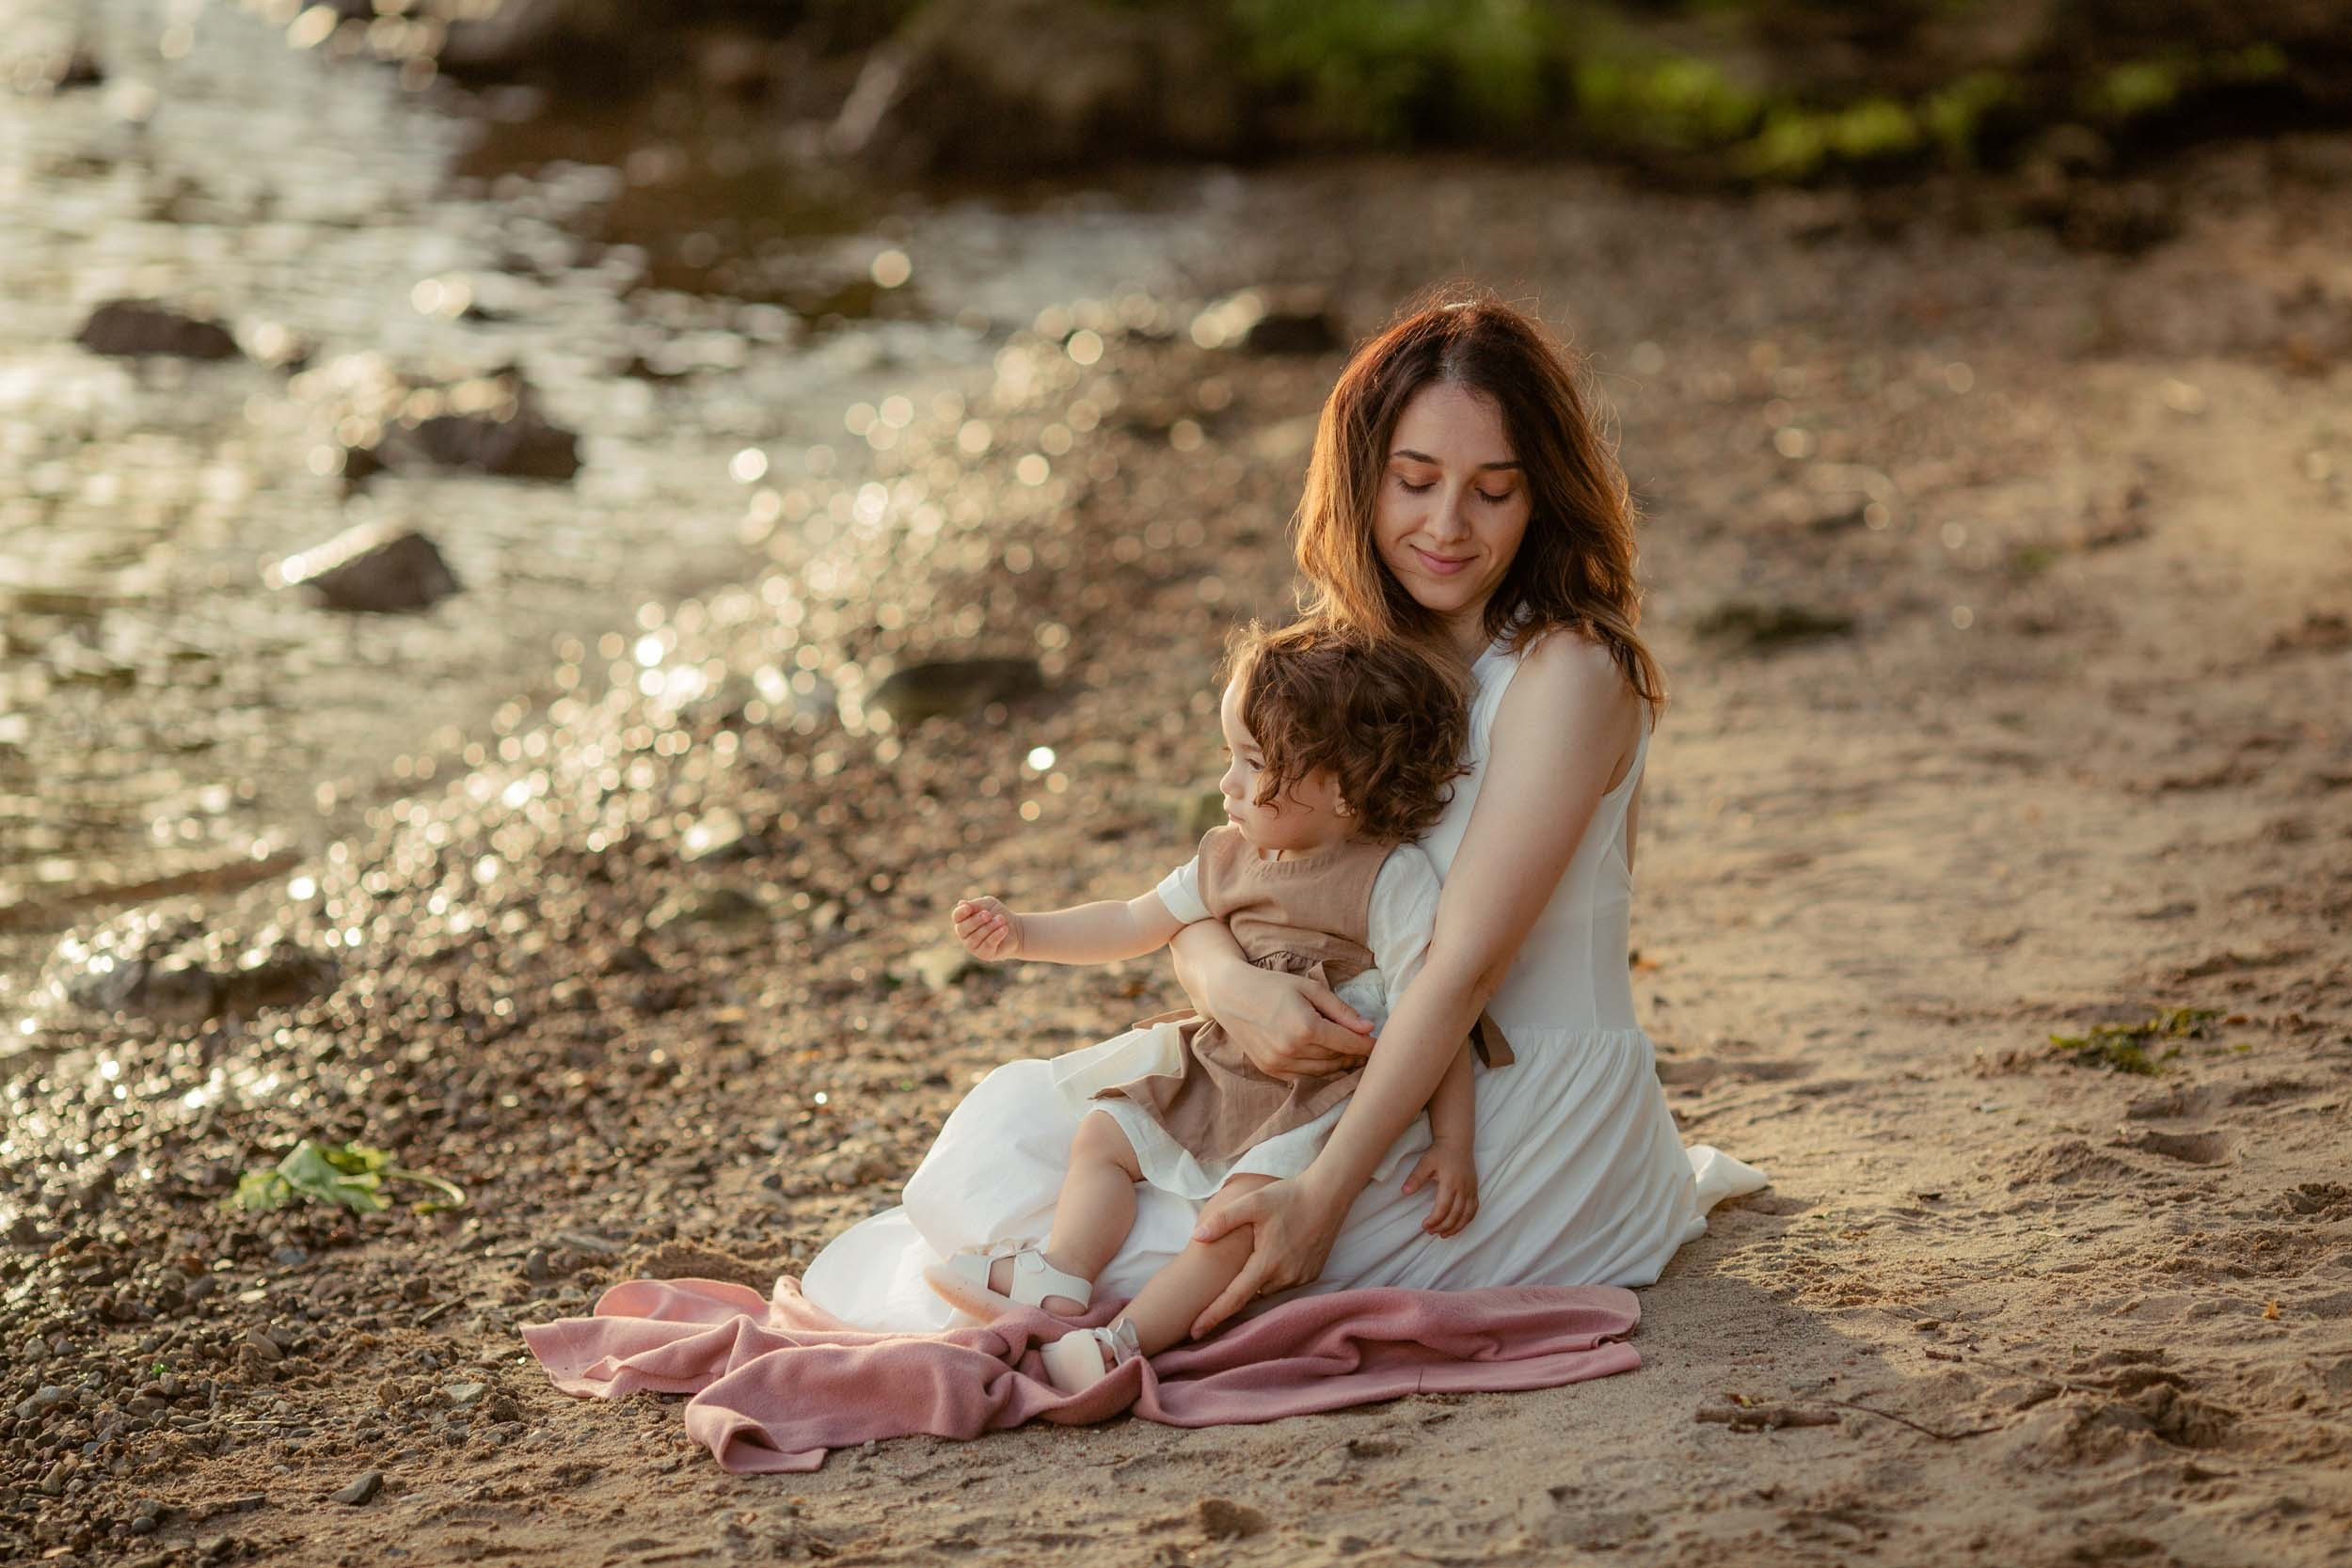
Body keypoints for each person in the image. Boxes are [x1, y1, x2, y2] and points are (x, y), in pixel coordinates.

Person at [802, 290, 1764, 1341]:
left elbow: (1461, 969)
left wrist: (1325, 1196)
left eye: (1493, 490)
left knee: (1149, 1255)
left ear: (1541, 496)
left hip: (1516, 1098)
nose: (1448, 526)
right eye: (1414, 481)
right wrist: (1234, 985)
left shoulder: (1567, 670)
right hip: (1334, 1073)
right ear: (1361, 478)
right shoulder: (1357, 666)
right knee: (1022, 1159)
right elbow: (1236, 879)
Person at [922, 621, 1512, 1392]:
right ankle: (1062, 1271)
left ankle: (1125, 1340)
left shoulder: (1389, 878)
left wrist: (1453, 1141)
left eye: (1254, 763)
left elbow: (1438, 1013)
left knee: (1237, 1219)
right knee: (1105, 1132)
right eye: (1231, 755)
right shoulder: (1227, 855)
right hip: (1221, 1063)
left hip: (1312, 1095)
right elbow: (1131, 920)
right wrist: (1024, 932)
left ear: (1342, 786)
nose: (1228, 783)